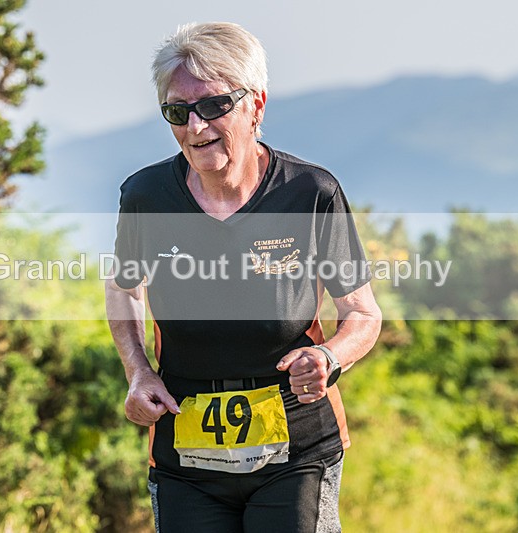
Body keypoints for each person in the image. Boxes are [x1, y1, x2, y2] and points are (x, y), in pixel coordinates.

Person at [105, 22, 382, 533]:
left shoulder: (310, 193)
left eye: (213, 106)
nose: (196, 126)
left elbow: (363, 314)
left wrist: (328, 356)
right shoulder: (145, 197)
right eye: (177, 112)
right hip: (187, 455)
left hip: (296, 448)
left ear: (256, 104)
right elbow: (123, 287)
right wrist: (139, 372)